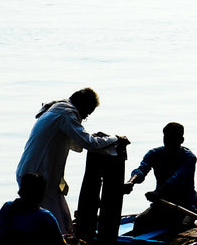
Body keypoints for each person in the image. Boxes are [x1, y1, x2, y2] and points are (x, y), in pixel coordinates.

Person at [15, 87, 125, 234]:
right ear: (81, 105)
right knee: (56, 229)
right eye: (85, 114)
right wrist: (115, 139)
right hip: (36, 180)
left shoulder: (58, 109)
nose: (83, 118)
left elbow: (77, 142)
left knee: (66, 222)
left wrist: (95, 138)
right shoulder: (66, 113)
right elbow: (89, 143)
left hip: (42, 177)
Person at [124, 122, 197, 234]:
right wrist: (131, 182)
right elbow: (142, 169)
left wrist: (157, 192)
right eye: (167, 138)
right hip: (161, 205)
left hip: (186, 206)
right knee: (140, 222)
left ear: (181, 140)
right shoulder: (154, 153)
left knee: (182, 228)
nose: (169, 142)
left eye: (173, 139)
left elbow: (176, 179)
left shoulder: (189, 158)